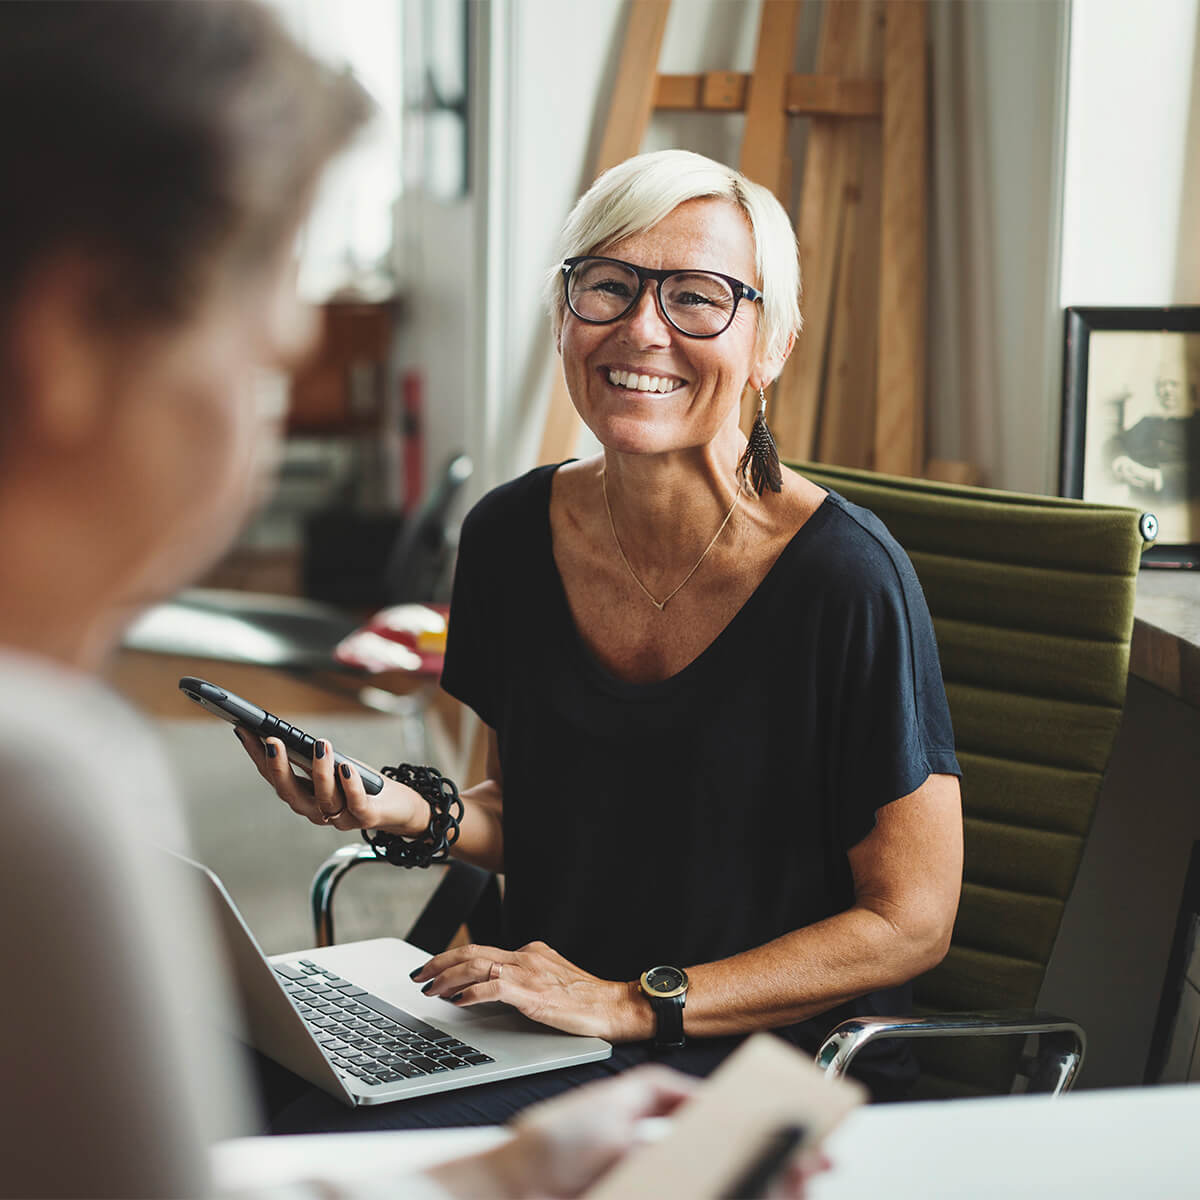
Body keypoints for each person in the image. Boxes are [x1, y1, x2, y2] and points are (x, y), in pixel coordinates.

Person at [0, 5, 728, 1197]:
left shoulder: (842, 574)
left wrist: (498, 1168)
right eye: (264, 340)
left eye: (697, 296)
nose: (280, 369)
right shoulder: (39, 783)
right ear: (69, 339)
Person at [244, 148, 964, 1132]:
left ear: (773, 345)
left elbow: (910, 921)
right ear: (564, 313)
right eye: (610, 286)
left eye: (699, 298)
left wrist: (633, 1001)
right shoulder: (507, 535)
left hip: (753, 1055)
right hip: (537, 1010)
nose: (641, 330)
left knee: (322, 1146)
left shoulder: (847, 582)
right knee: (206, 1081)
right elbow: (554, 811)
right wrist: (413, 812)